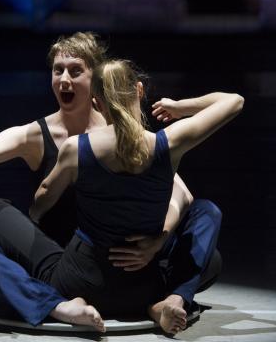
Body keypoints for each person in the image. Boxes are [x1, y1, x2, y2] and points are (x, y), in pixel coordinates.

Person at [0, 32, 223, 333]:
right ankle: (133, 299)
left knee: (210, 258)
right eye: (58, 70)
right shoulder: (37, 134)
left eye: (75, 71)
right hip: (62, 257)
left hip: (127, 256)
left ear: (97, 82)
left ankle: (154, 299)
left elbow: (180, 193)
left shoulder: (122, 134)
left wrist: (157, 241)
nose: (64, 79)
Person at [31, 59, 243, 333]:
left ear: (96, 103)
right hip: (145, 279)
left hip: (89, 277)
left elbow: (43, 199)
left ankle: (160, 302)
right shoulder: (168, 143)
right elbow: (234, 101)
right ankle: (174, 298)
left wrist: (36, 218)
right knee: (208, 229)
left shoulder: (77, 148)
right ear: (139, 91)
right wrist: (180, 107)